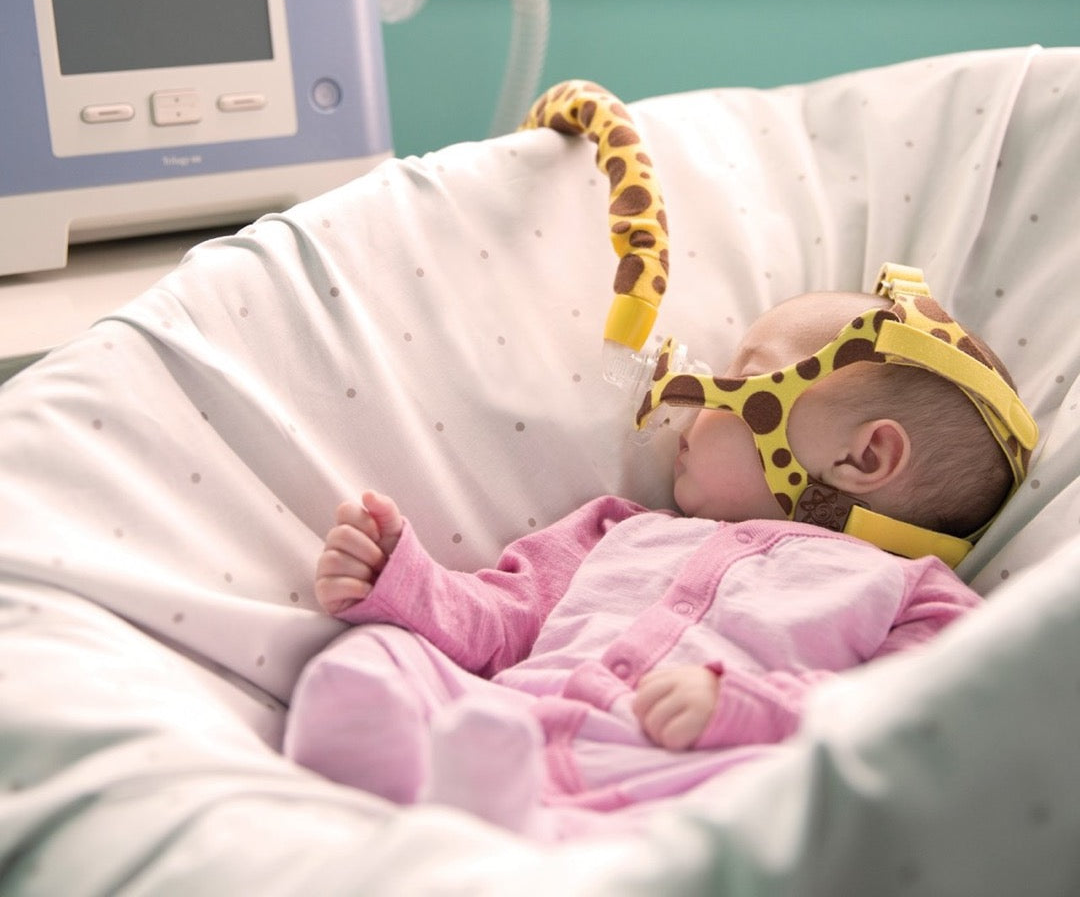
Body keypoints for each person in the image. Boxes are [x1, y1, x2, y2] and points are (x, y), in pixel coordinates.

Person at [284, 272, 1035, 838]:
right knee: (383, 653)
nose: (696, 402)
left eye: (738, 378)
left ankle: (491, 829)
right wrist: (401, 579)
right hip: (512, 716)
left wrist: (749, 708)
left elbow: (918, 712)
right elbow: (502, 621)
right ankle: (395, 774)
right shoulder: (622, 528)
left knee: (748, 811)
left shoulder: (906, 593)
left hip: (674, 772)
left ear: (863, 457)